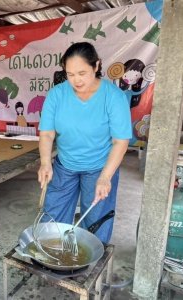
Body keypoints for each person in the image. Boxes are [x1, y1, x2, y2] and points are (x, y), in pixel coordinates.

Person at [38, 42, 132, 243]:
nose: (76, 80)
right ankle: (53, 260)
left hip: (100, 167)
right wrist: (45, 162)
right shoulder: (56, 95)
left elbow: (120, 142)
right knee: (53, 217)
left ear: (96, 66)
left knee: (97, 220)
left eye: (82, 73)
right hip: (65, 165)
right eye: (70, 74)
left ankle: (92, 268)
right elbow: (47, 134)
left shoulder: (113, 97)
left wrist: (105, 177)